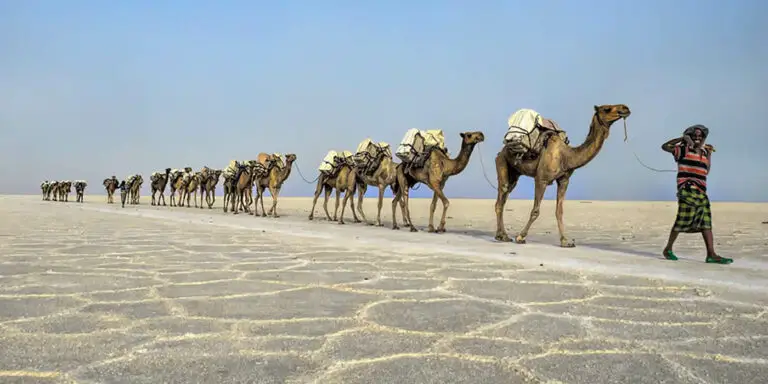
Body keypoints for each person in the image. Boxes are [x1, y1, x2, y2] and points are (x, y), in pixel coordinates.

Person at [660, 124, 732, 264]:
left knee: (706, 221)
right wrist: (682, 139)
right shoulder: (682, 150)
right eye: (694, 136)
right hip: (687, 189)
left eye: (700, 136)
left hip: (701, 191)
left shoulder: (704, 153)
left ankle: (711, 254)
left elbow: (706, 171)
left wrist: (709, 155)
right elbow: (664, 146)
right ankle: (668, 249)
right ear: (690, 137)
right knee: (682, 219)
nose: (698, 138)